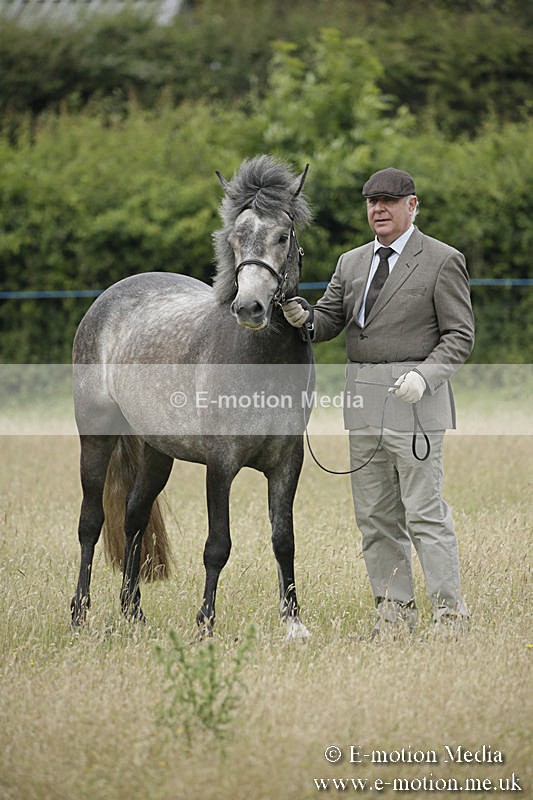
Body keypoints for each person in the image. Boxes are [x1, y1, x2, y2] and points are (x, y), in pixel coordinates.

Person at [283, 167, 475, 636]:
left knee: (425, 513)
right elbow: (326, 321)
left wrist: (425, 376)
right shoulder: (351, 262)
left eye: (390, 200)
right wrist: (299, 316)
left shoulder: (442, 260)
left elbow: (460, 335)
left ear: (413, 205)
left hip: (415, 402)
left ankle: (450, 616)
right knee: (374, 518)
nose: (379, 209)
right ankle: (394, 617)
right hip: (363, 402)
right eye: (372, 201)